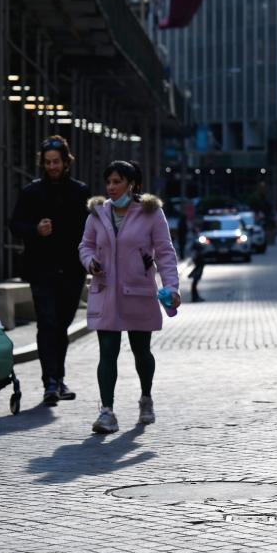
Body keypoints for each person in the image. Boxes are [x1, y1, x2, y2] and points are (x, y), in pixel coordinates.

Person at [79, 161, 180, 434]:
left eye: (117, 182)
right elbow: (85, 245)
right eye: (108, 182)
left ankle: (146, 397)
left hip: (138, 291)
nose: (111, 188)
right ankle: (106, 412)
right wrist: (89, 262)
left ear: (132, 184)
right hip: (105, 291)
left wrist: (171, 287)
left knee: (141, 350)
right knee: (107, 351)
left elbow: (165, 252)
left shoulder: (151, 213)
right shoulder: (97, 214)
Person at [10, 136, 91, 406]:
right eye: (47, 162)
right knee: (47, 323)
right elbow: (15, 224)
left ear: (66, 161)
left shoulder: (80, 191)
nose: (52, 166)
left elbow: (90, 229)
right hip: (40, 267)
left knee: (62, 326)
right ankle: (51, 383)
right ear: (42, 164)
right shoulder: (31, 192)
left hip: (71, 269)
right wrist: (35, 229)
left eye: (56, 162)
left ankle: (59, 378)